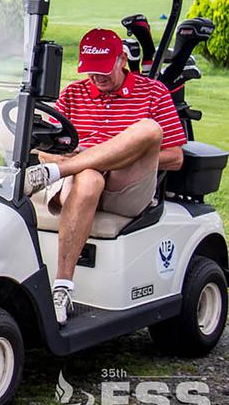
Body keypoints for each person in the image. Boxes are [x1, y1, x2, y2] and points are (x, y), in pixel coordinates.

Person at [23, 28, 185, 326]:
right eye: (91, 71)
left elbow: (175, 157)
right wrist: (76, 161)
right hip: (79, 183)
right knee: (90, 178)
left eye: (103, 70)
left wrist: (120, 155)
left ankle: (63, 171)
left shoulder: (153, 93)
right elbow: (40, 145)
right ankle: (62, 289)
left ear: (122, 59)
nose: (96, 78)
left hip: (127, 186)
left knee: (149, 129)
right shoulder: (73, 94)